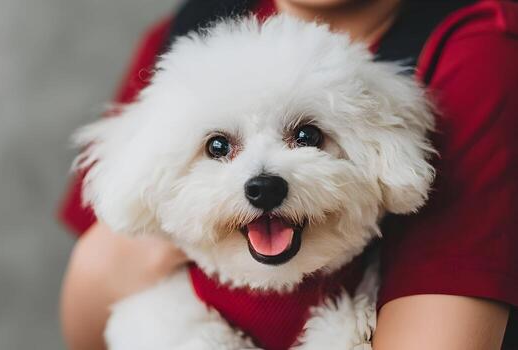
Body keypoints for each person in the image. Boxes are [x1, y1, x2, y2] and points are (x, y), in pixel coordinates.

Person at [59, 0, 518, 349]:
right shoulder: (187, 31)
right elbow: (88, 316)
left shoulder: (480, 46)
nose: (263, 179)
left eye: (306, 136)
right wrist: (99, 262)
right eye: (219, 147)